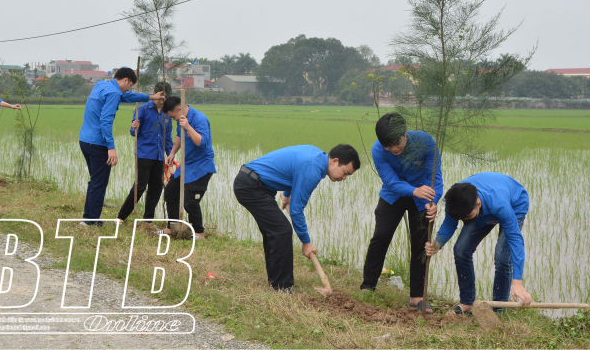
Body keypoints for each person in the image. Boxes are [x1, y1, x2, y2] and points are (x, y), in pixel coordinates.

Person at [234, 144, 361, 292]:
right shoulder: (312, 169)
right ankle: (282, 286)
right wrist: (306, 242)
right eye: (345, 172)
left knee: (275, 231)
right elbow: (296, 210)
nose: (344, 178)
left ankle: (276, 282)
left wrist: (287, 196)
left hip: (254, 183)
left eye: (348, 175)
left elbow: (293, 174)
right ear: (334, 161)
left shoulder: (316, 157)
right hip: (251, 186)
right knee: (281, 230)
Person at [361, 112, 442, 314]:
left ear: (405, 133)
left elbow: (435, 176)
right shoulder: (378, 150)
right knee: (381, 236)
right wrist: (413, 190)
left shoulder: (425, 142)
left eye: (397, 143)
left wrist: (433, 202)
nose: (394, 149)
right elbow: (390, 181)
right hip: (393, 195)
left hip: (422, 197)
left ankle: (417, 297)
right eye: (389, 146)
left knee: (420, 243)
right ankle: (367, 286)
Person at [426, 172, 532, 315]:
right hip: (484, 205)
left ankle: (498, 310)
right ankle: (467, 303)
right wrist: (437, 244)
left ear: (478, 203)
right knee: (461, 250)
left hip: (514, 205)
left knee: (502, 257)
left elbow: (515, 240)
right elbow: (449, 224)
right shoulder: (456, 201)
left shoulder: (499, 205)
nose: (464, 221)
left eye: (467, 217)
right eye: (461, 218)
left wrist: (517, 283)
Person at [78, 67, 165, 226]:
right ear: (125, 80)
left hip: (85, 140)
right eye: (129, 85)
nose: (128, 89)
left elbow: (128, 96)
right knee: (99, 182)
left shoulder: (101, 85)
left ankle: (88, 217)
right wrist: (111, 147)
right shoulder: (113, 93)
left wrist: (151, 97)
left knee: (95, 181)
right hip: (98, 143)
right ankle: (91, 221)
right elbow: (105, 121)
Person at [155, 96, 216, 240]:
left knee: (190, 201)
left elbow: (200, 142)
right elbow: (179, 136)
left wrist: (188, 126)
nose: (174, 119)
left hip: (202, 166)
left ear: (179, 109)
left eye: (173, 116)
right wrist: (172, 153)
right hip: (187, 165)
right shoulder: (180, 119)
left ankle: (199, 233)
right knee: (170, 192)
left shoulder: (199, 119)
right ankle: (172, 227)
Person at [116, 82, 174, 222]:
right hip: (144, 154)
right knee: (140, 186)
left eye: (164, 99)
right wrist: (134, 127)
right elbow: (133, 132)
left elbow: (168, 137)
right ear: (154, 95)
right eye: (159, 98)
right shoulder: (142, 109)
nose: (161, 102)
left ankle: (147, 220)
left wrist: (170, 154)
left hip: (159, 156)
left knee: (156, 188)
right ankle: (121, 217)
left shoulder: (167, 114)